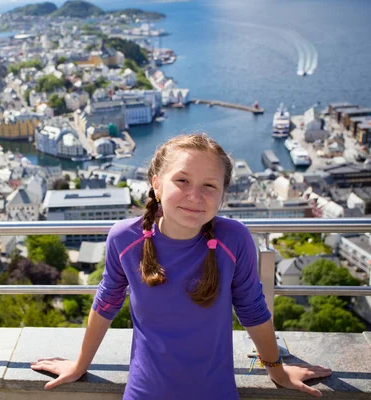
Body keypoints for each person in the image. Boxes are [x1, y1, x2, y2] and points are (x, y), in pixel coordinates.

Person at [31, 133, 332, 398]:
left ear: (223, 196)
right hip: (145, 392)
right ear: (157, 185)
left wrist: (278, 372)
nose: (194, 196)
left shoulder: (234, 238)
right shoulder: (125, 239)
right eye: (182, 180)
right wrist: (80, 364)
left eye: (209, 186)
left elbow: (252, 311)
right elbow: (106, 303)